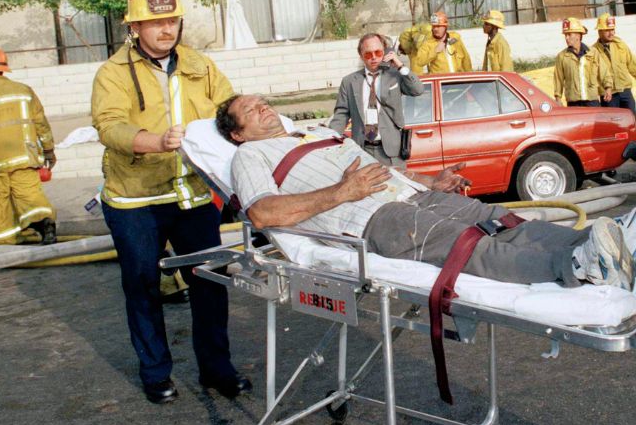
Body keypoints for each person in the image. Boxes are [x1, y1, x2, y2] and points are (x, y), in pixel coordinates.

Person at [216, 93, 634, 290]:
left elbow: (381, 169)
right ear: (237, 133)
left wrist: (431, 182)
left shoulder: (317, 134)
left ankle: (610, 242)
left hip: (410, 196)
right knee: (468, 244)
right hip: (373, 220)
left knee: (503, 222)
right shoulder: (250, 156)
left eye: (263, 101)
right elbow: (262, 215)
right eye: (251, 110)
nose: (264, 107)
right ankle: (579, 265)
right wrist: (342, 193)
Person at [91, 0, 250, 405]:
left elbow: (228, 112)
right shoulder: (113, 73)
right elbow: (109, 126)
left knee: (210, 283)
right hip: (135, 200)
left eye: (173, 21)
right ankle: (156, 373)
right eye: (155, 23)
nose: (167, 31)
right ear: (134, 27)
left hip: (194, 197)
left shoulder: (201, 65)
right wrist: (155, 141)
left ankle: (218, 370)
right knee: (143, 287)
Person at [329, 33, 423, 168]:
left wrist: (400, 66)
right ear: (361, 56)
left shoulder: (394, 76)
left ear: (384, 52)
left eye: (378, 53)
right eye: (368, 54)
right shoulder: (349, 81)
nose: (373, 58)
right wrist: (330, 139)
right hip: (362, 151)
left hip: (392, 152)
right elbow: (341, 114)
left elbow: (417, 90)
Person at [0, 48, 57, 245]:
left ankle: (7, 239)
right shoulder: (23, 90)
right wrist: (49, 150)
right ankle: (45, 223)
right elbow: (41, 124)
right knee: (30, 194)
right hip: (25, 156)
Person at [554, 17, 608, 107]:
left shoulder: (593, 53)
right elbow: (558, 79)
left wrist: (608, 88)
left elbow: (604, 72)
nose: (566, 38)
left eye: (569, 34)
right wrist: (558, 98)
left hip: (592, 101)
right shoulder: (562, 56)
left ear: (578, 35)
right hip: (573, 103)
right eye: (565, 35)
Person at [589, 13, 636, 112]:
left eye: (612, 29)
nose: (611, 33)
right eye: (607, 30)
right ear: (599, 31)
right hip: (608, 96)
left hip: (625, 92)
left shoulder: (621, 45)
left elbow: (632, 65)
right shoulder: (593, 51)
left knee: (632, 121)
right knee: (613, 125)